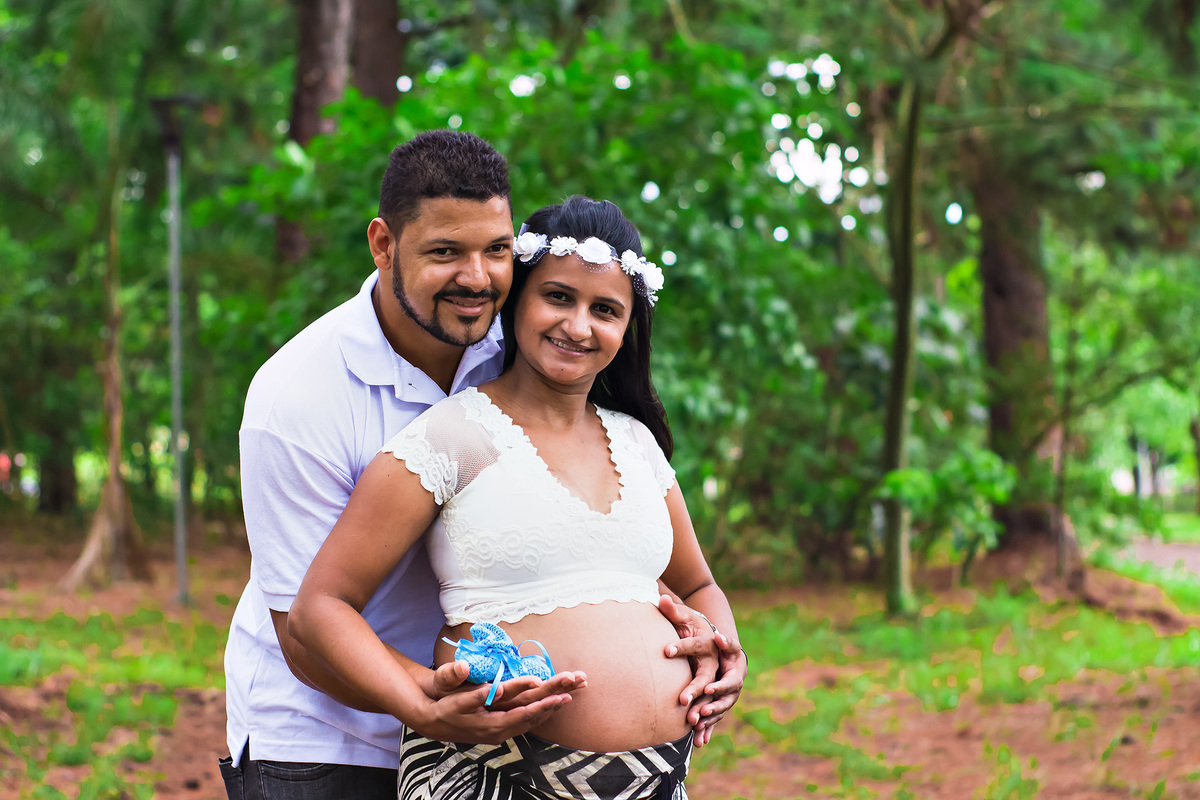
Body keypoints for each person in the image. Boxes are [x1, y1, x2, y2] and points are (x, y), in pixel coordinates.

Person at [220, 132, 743, 800]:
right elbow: (305, 625)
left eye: (495, 250)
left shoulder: (513, 345)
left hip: (593, 760)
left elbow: (653, 568)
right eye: (445, 251)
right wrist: (428, 707)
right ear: (384, 244)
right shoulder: (300, 396)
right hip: (329, 738)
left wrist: (717, 644)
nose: (475, 278)